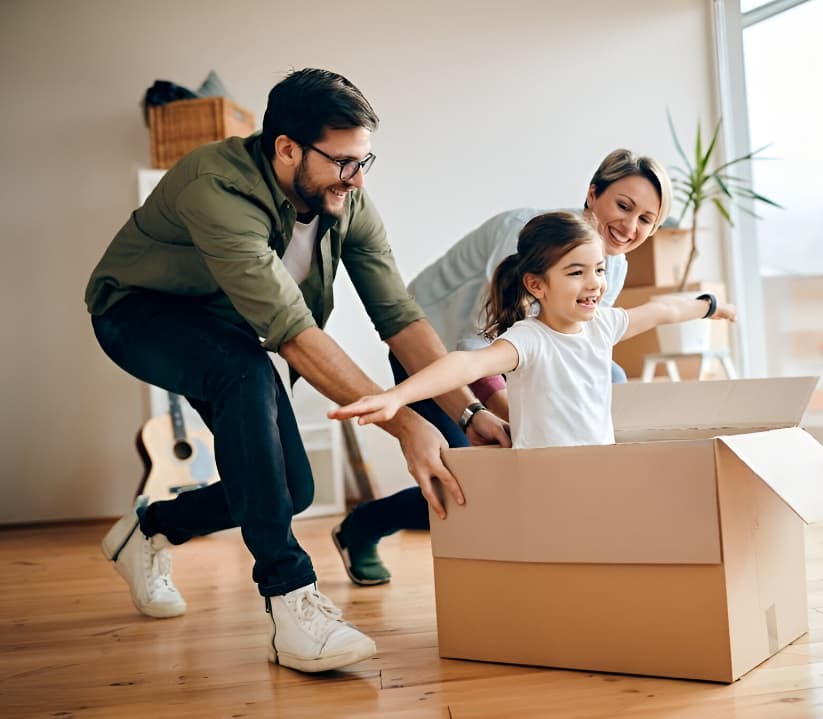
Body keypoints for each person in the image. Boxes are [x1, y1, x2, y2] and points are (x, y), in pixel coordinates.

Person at [85, 68, 509, 673]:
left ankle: (150, 528)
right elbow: (291, 334)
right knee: (243, 370)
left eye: (365, 162)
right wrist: (405, 425)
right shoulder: (216, 187)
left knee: (291, 490)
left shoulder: (345, 199)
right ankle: (291, 605)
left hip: (228, 327)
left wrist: (469, 409)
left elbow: (400, 317)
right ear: (287, 148)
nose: (357, 179)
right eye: (343, 162)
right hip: (137, 312)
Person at [331, 150, 673, 583]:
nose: (630, 228)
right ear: (593, 194)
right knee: (468, 481)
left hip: (502, 356)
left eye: (647, 219)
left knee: (614, 380)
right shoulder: (523, 236)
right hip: (434, 349)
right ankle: (362, 527)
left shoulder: (613, 264)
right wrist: (510, 411)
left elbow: (579, 345)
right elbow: (483, 338)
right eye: (623, 206)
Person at [329, 212, 736, 449]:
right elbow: (462, 365)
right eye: (576, 273)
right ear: (537, 285)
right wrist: (397, 396)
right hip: (545, 480)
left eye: (598, 270)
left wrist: (709, 307)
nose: (594, 282)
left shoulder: (603, 325)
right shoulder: (528, 340)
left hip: (598, 473)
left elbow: (661, 310)